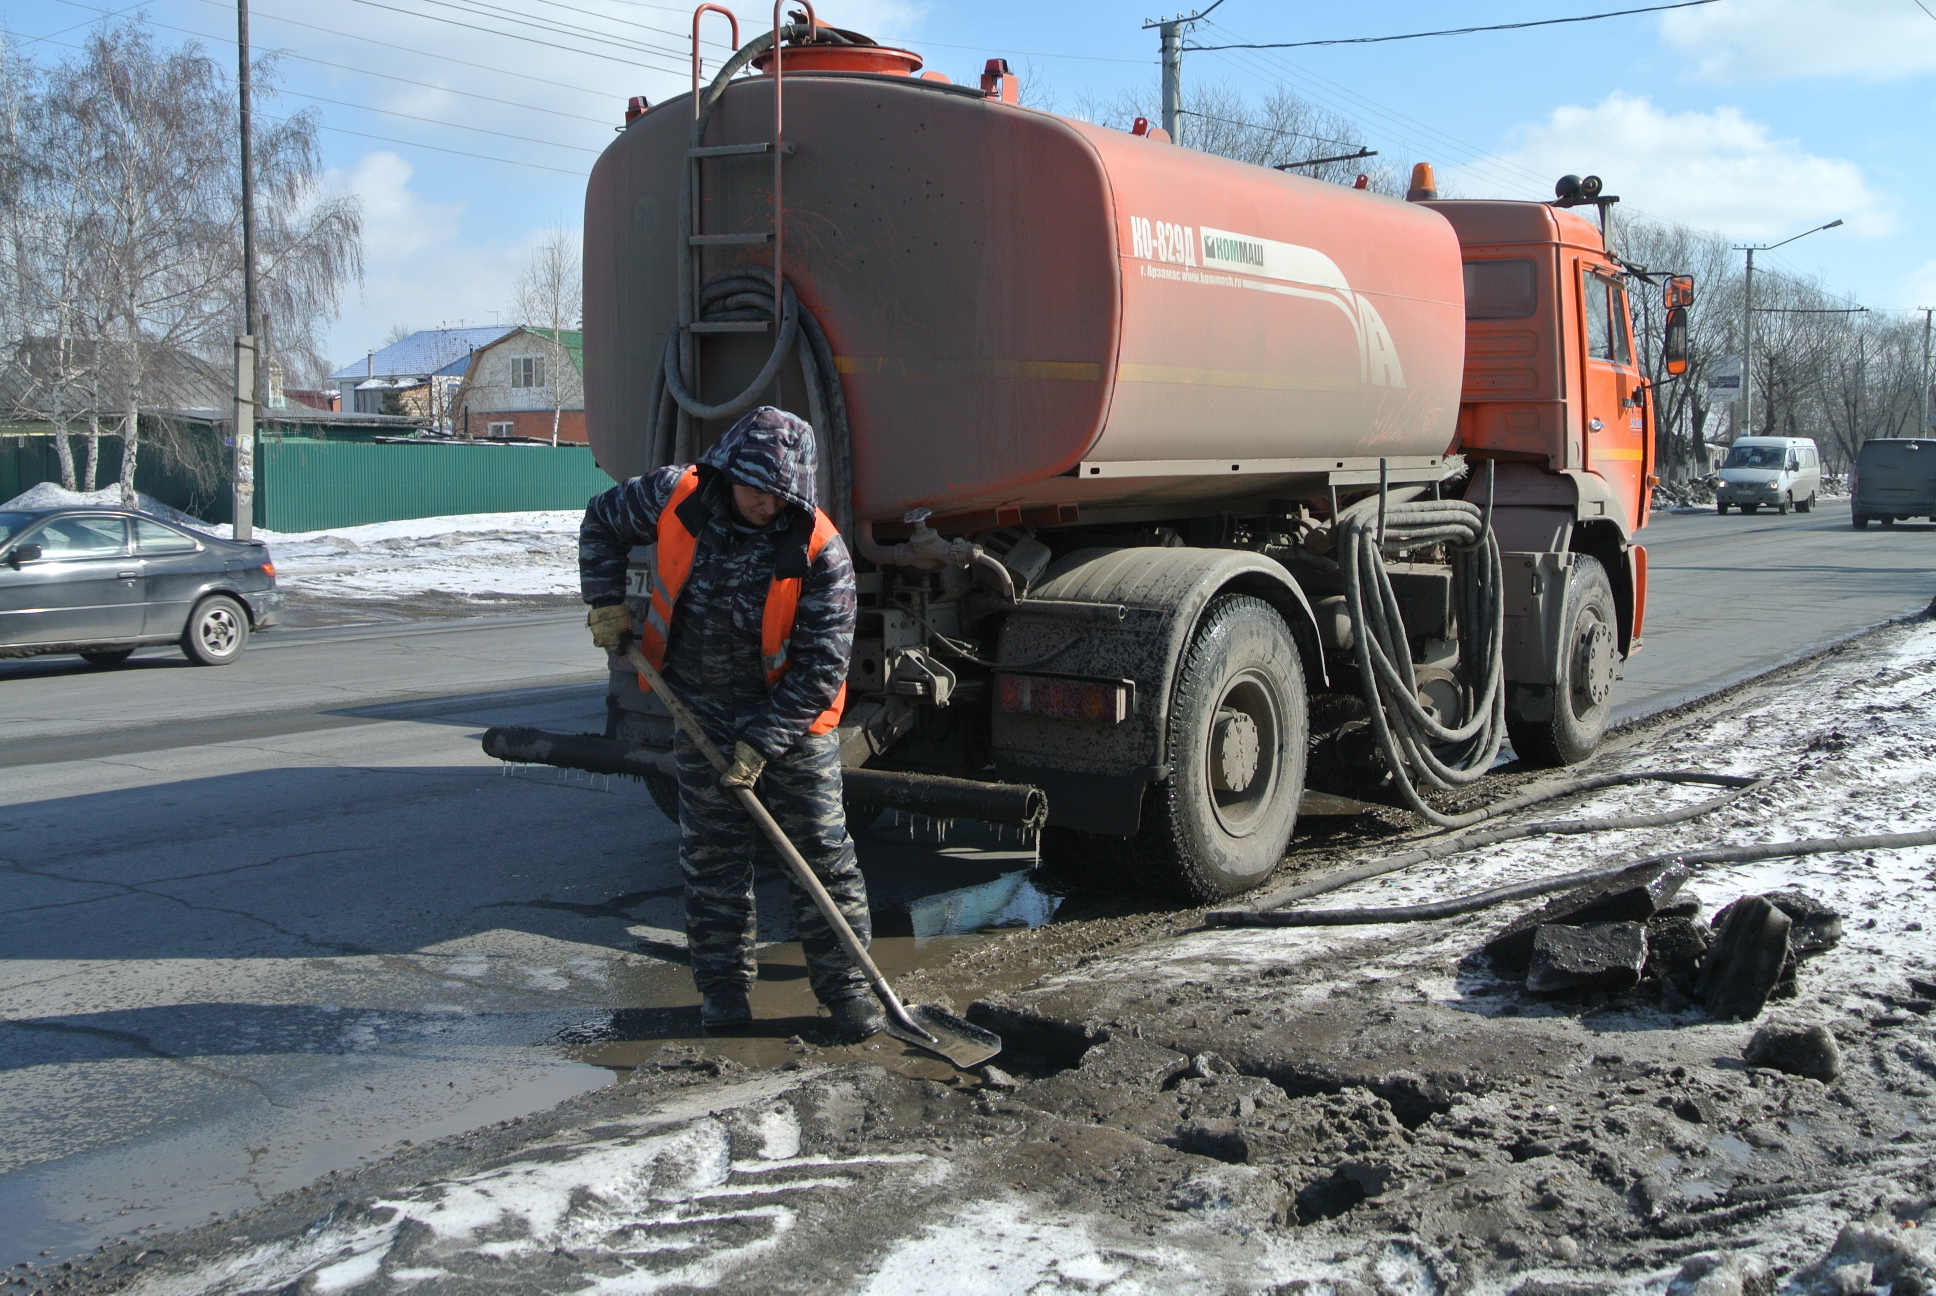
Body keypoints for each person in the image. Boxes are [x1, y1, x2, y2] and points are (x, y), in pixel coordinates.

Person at [578, 406, 885, 1043]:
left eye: (779, 495)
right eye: (754, 490)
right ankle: (722, 993)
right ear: (727, 471)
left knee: (820, 856)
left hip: (793, 721)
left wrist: (763, 743)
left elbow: (822, 669)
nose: (765, 505)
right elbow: (601, 521)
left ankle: (850, 994)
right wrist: (605, 600)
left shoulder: (820, 551)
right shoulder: (676, 495)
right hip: (699, 705)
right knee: (712, 858)